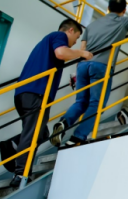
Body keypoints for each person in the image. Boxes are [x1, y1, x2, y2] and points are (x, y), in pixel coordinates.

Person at [50, 0, 128, 147]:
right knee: (96, 104)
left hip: (82, 66)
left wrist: (77, 73)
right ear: (124, 10)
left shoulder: (92, 25)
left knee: (81, 101)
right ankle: (77, 137)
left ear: (108, 8)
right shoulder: (122, 21)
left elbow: (82, 49)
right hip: (101, 66)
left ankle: (64, 123)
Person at [10, 19, 91, 187]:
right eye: (76, 37)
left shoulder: (46, 43)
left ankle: (15, 144)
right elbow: (61, 53)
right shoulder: (59, 36)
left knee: (41, 133)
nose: (75, 42)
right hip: (36, 93)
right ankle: (20, 174)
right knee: (33, 133)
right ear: (70, 30)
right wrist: (82, 53)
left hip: (24, 93)